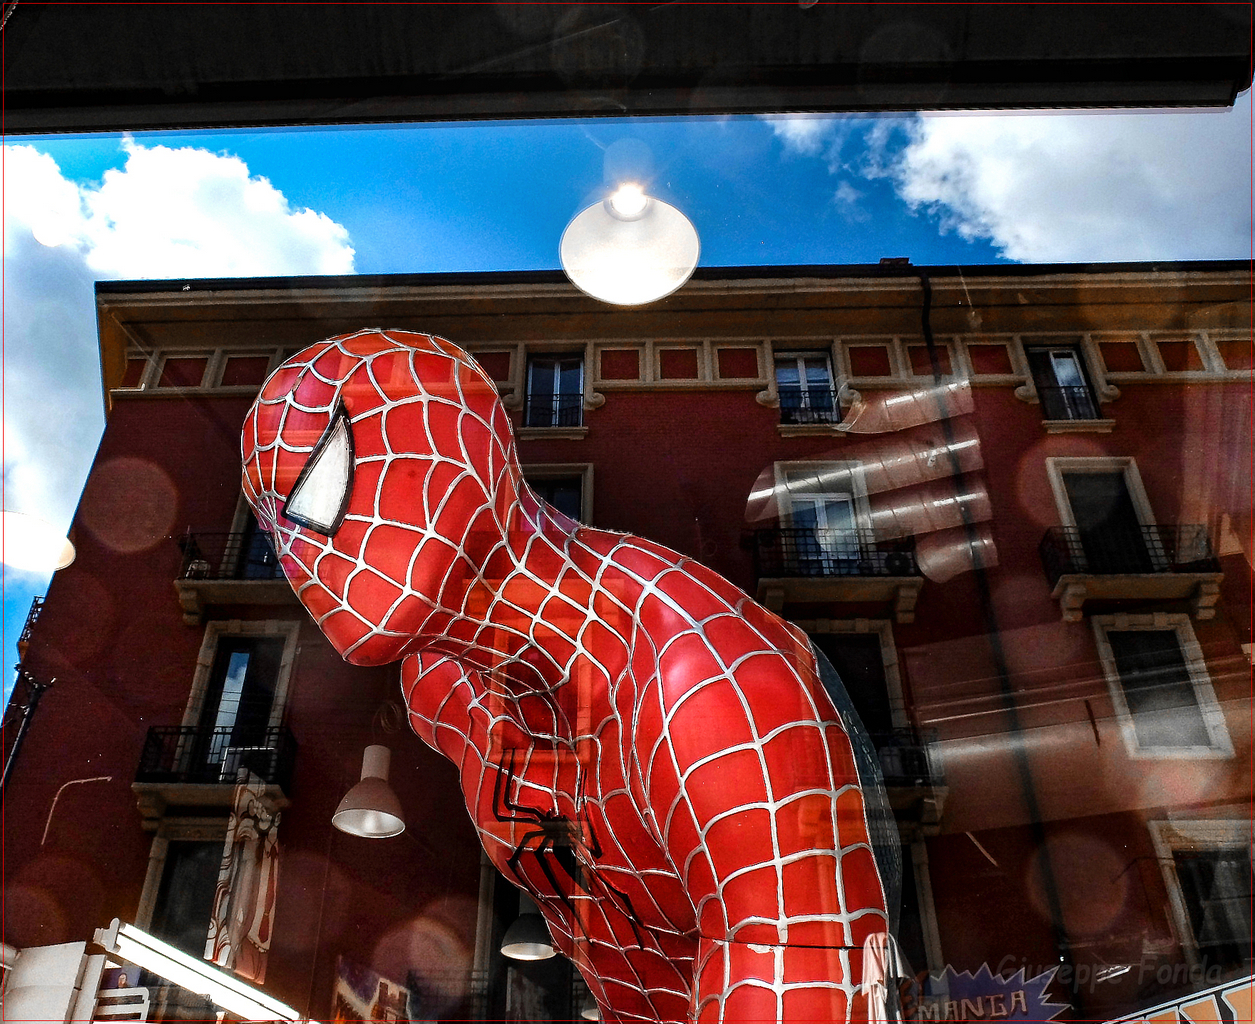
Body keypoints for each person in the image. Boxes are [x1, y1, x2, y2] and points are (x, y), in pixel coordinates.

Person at [242, 328, 889, 1024]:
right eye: (275, 530)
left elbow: (808, 966)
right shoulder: (441, 691)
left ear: (462, 438)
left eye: (320, 484)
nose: (301, 557)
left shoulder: (707, 675)